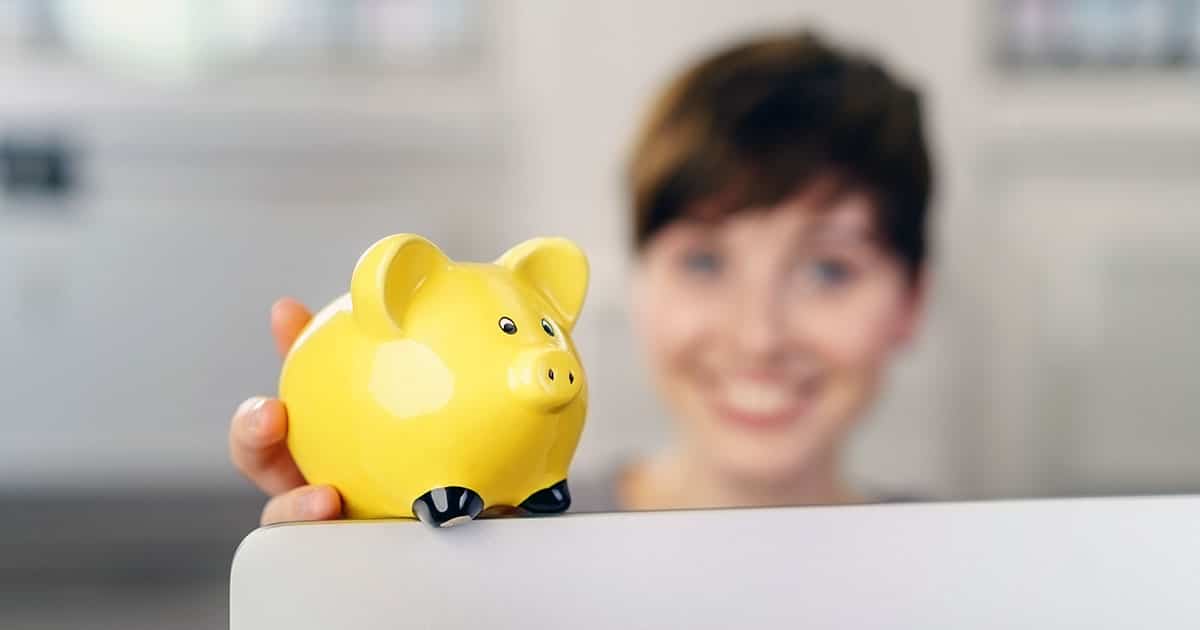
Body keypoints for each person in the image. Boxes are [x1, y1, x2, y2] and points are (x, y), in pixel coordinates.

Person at [229, 30, 933, 525]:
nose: (758, 336)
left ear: (911, 300)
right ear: (637, 278)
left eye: (828, 270)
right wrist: (368, 572)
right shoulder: (498, 536)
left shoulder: (975, 563)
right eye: (705, 261)